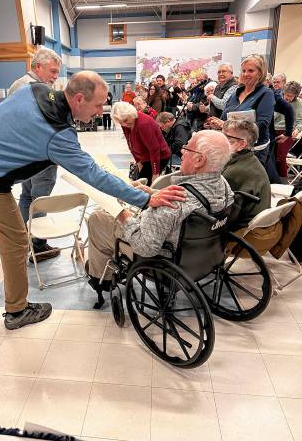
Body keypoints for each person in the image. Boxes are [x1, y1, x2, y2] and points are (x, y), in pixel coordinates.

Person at [0, 71, 184, 330]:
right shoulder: (59, 135)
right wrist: (143, 199)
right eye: (97, 105)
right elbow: (95, 175)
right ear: (79, 99)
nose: (99, 111)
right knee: (17, 242)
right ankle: (17, 311)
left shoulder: (35, 90)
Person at [86, 130, 233, 308]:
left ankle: (101, 278)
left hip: (161, 258)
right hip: (204, 255)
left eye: (187, 148)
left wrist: (122, 214)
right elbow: (188, 203)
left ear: (199, 160)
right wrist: (150, 193)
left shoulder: (173, 203)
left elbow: (145, 247)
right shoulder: (223, 185)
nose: (182, 151)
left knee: (98, 217)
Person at [8, 48, 62, 263]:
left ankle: (24, 241)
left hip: (23, 155)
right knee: (40, 200)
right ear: (37, 66)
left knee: (27, 196)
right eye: (53, 71)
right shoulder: (33, 89)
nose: (56, 76)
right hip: (40, 156)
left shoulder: (17, 84)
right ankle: (38, 247)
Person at [208, 54, 275, 166]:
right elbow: (224, 118)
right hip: (231, 149)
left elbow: (262, 124)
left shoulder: (266, 94)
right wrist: (218, 124)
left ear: (260, 73)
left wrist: (227, 125)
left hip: (253, 152)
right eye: (243, 70)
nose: (245, 74)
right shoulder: (235, 93)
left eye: (250, 71)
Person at [222, 119, 271, 230]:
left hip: (241, 233)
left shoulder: (234, 171)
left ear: (242, 144)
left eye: (227, 138)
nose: (221, 141)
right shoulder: (250, 160)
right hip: (256, 229)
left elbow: (218, 213)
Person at [112, 101, 171, 185]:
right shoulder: (126, 123)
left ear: (130, 114)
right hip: (145, 157)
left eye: (125, 120)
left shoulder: (143, 124)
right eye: (120, 122)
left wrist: (155, 173)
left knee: (143, 185)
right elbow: (130, 144)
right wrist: (138, 162)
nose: (124, 124)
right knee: (139, 182)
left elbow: (154, 148)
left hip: (159, 156)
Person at [274, 81, 302, 179]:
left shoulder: (298, 105)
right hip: (273, 130)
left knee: (280, 158)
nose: (287, 97)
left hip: (287, 132)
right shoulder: (278, 100)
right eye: (286, 94)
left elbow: (299, 120)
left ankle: (282, 181)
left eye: (290, 96)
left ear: (296, 95)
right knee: (271, 158)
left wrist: (297, 129)